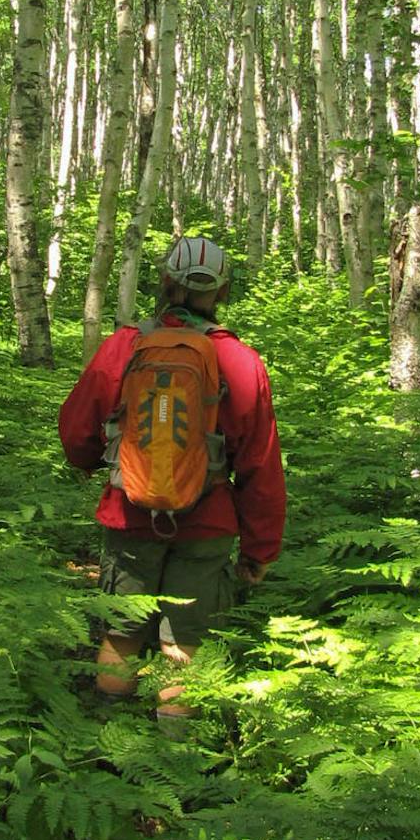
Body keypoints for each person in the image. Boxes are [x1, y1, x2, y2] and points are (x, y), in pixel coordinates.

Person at [59, 235, 286, 727]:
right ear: (221, 292)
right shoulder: (242, 363)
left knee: (120, 634)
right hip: (208, 524)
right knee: (184, 644)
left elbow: (77, 427)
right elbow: (259, 466)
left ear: (165, 282)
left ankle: (108, 743)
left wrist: (91, 462)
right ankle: (174, 759)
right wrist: (259, 550)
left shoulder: (124, 347)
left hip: (130, 515)